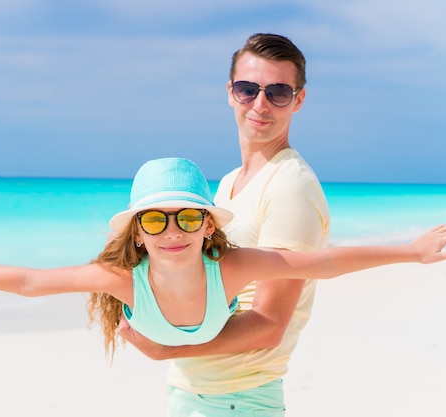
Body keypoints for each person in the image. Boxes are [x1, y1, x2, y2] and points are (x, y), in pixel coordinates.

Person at [0, 157, 446, 360]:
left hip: (196, 348)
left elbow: (322, 262)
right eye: (157, 219)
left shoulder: (231, 268)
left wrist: (411, 252)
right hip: (146, 330)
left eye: (189, 217)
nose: (173, 231)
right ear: (138, 233)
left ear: (208, 225)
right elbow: (32, 279)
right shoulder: (123, 280)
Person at [112, 33, 332, 416]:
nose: (260, 104)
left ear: (298, 100)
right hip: (196, 392)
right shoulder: (229, 184)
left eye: (278, 92)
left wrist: (169, 347)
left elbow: (269, 324)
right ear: (231, 92)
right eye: (249, 89)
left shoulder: (290, 186)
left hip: (237, 399)